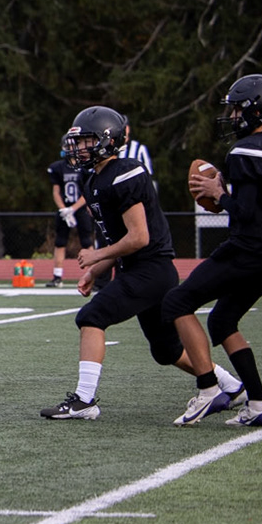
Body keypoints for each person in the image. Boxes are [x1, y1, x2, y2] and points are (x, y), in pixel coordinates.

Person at [41, 106, 242, 421]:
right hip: (141, 270)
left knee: (91, 317)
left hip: (150, 268)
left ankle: (84, 399)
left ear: (108, 140)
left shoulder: (126, 172)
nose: (79, 148)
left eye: (87, 141)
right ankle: (232, 386)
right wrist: (96, 269)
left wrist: (96, 256)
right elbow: (116, 234)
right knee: (167, 351)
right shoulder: (91, 179)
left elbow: (139, 237)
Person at [161, 76, 262, 426]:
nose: (233, 116)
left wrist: (218, 192)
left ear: (256, 110)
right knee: (222, 321)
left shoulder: (246, 150)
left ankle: (208, 388)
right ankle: (257, 404)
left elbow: (245, 212)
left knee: (177, 302)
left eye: (238, 109)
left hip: (247, 248)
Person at [45, 148, 93, 288]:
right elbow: (56, 192)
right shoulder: (58, 167)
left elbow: (87, 192)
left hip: (80, 209)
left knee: (86, 241)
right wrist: (64, 210)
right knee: (60, 242)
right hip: (64, 210)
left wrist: (73, 209)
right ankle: (57, 276)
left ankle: (93, 274)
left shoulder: (85, 166)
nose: (69, 149)